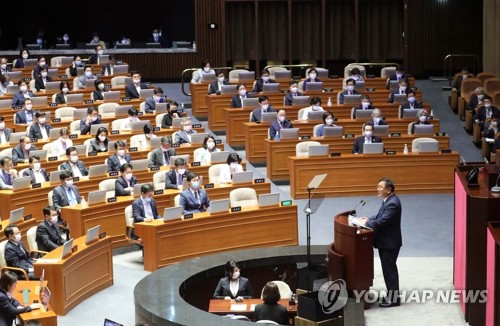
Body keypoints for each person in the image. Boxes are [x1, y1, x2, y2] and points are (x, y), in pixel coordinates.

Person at [358, 178, 402, 307]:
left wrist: (365, 223)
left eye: (380, 187)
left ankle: (394, 300)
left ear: (389, 189)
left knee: (390, 271)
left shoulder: (393, 203)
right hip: (387, 242)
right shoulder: (388, 201)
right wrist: (368, 219)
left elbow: (383, 222)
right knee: (388, 270)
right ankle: (392, 295)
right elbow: (379, 216)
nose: (378, 189)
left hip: (390, 243)